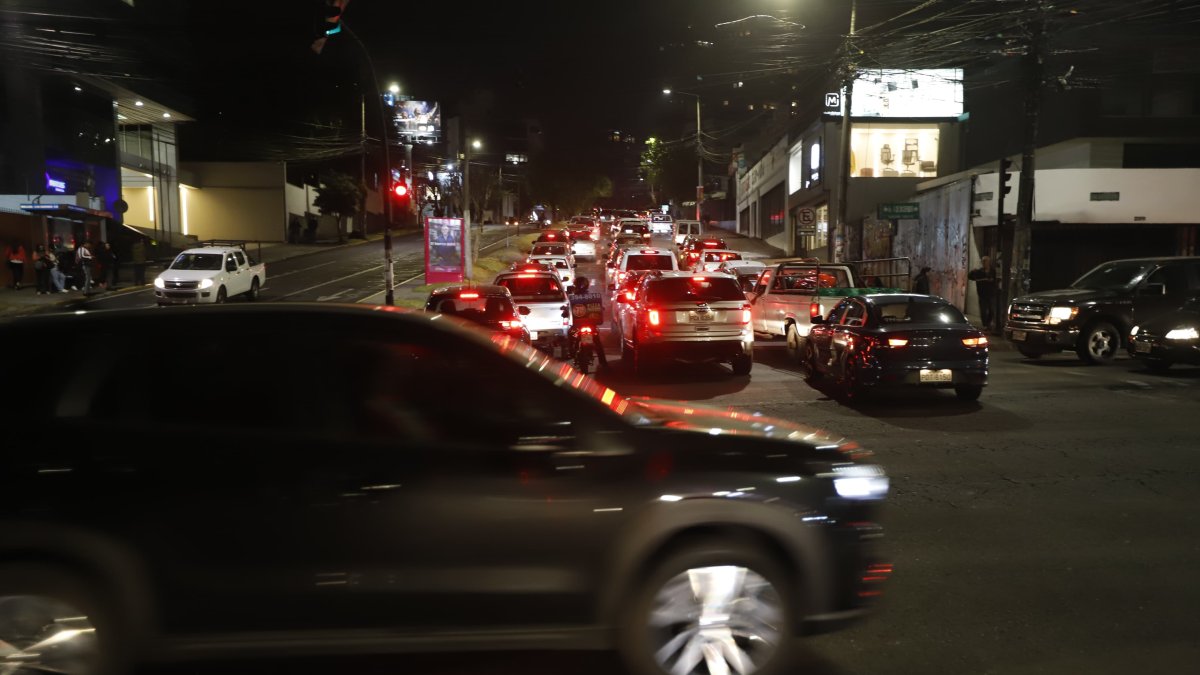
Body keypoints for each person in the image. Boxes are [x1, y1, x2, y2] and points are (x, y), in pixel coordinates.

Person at [969, 256, 998, 330]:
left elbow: (995, 281)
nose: (985, 263)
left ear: (989, 262)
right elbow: (970, 277)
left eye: (986, 261)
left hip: (991, 293)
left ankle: (988, 323)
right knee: (983, 310)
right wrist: (972, 272)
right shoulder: (979, 271)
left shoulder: (993, 271)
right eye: (983, 262)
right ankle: (985, 324)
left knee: (992, 310)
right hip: (982, 293)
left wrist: (993, 282)